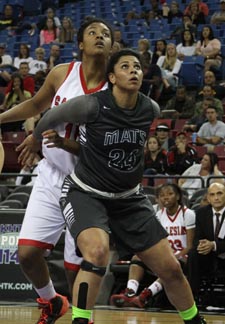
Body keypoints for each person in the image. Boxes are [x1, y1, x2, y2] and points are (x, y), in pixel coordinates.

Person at [30, 48, 206, 324]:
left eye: (137, 66)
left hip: (129, 198)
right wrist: (35, 139)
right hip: (86, 194)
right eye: (125, 66)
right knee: (97, 253)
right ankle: (80, 320)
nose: (134, 70)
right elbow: (50, 117)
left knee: (171, 269)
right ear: (111, 77)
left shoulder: (151, 108)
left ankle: (196, 320)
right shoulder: (89, 105)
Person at [0, 17, 115, 324]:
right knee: (26, 254)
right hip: (51, 175)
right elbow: (37, 105)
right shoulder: (62, 73)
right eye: (93, 32)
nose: (100, 37)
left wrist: (48, 138)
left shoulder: (115, 87)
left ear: (112, 46)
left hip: (88, 184)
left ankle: (83, 316)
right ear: (80, 43)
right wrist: (3, 119)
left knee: (77, 266)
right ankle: (52, 302)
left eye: (106, 34)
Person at [110, 183, 195, 308]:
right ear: (158, 199)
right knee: (137, 257)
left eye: (170, 194)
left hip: (183, 255)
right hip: (165, 253)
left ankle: (146, 295)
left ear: (177, 196)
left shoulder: (187, 214)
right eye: (162, 195)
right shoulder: (158, 214)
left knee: (171, 264)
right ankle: (130, 293)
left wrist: (175, 256)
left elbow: (190, 245)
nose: (165, 198)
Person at [187, 182, 225, 299]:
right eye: (212, 195)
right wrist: (202, 245)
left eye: (219, 193)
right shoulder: (201, 213)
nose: (216, 198)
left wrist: (213, 245)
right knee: (193, 254)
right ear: (208, 198)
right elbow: (197, 237)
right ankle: (191, 297)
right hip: (209, 256)